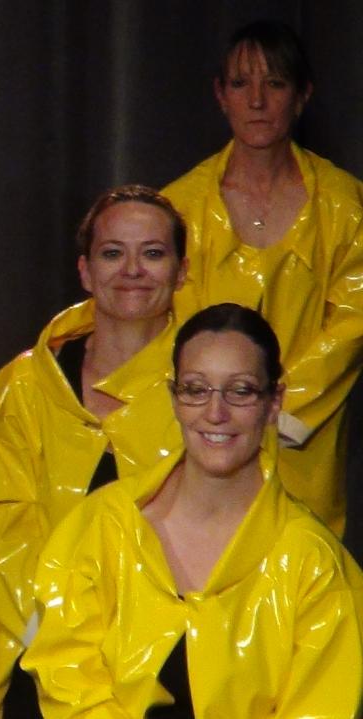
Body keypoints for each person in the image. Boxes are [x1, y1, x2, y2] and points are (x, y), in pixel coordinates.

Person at [22, 303, 363, 717]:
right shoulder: (102, 526)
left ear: (274, 401)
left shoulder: (315, 567)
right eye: (197, 390)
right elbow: (64, 675)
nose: (216, 414)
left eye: (240, 391)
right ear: (174, 398)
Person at [0, 186, 188, 718]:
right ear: (85, 271)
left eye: (152, 253)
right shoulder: (28, 385)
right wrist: (48, 627)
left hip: (165, 663)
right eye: (112, 252)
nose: (132, 270)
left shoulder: (205, 392)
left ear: (181, 271)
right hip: (38, 649)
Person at [162, 20, 363, 535]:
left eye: (274, 83)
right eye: (240, 83)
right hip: (199, 440)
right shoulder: (180, 206)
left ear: (302, 95)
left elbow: (354, 321)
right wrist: (217, 405)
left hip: (301, 444)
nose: (256, 101)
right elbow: (165, 326)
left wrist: (283, 409)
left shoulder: (345, 205)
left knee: (299, 567)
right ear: (220, 95)